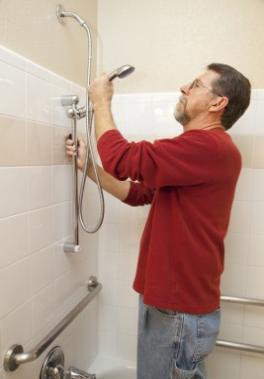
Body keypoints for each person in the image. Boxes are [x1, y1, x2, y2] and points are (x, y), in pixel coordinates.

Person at [66, 63, 251, 379]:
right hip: (171, 301)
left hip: (178, 307)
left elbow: (121, 160)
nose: (183, 87)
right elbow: (138, 193)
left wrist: (101, 102)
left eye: (195, 84)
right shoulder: (198, 151)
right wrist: (89, 169)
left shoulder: (209, 147)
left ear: (217, 103)